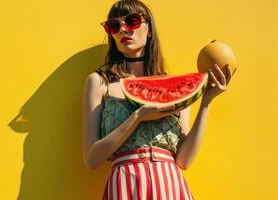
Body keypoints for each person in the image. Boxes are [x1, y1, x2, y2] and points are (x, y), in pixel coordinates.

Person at [81, 0, 236, 199]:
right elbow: (91, 158)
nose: (123, 29)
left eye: (132, 21)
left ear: (149, 30)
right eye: (114, 25)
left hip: (169, 184)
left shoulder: (176, 88)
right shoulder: (99, 82)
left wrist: (206, 101)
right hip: (125, 185)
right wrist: (138, 116)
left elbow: (184, 161)